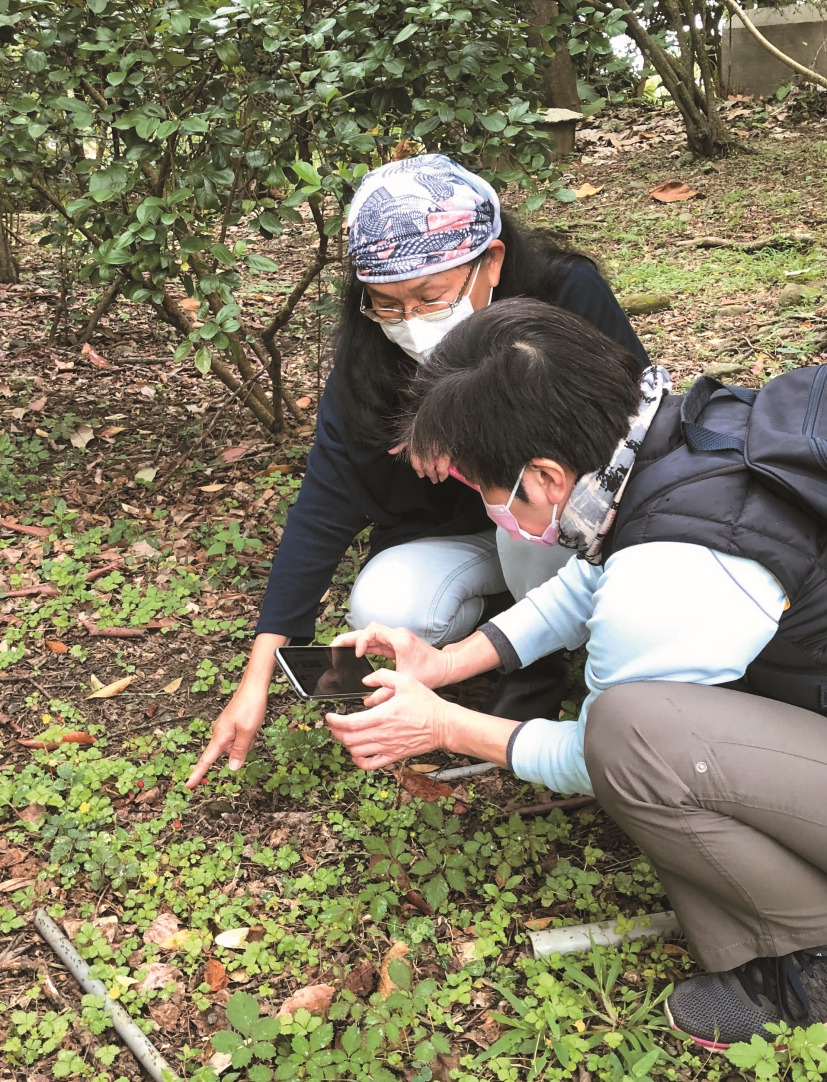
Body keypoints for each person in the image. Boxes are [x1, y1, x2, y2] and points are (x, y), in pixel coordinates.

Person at [321, 299, 827, 1049]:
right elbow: (588, 583)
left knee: (633, 734)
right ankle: (773, 932)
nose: (483, 501)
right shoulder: (685, 432)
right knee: (654, 734)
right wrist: (448, 659)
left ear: (547, 476)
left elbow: (597, 755)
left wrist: (444, 724)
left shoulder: (675, 570)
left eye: (480, 484)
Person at [187, 155, 649, 787]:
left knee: (528, 528)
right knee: (386, 605)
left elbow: (631, 426)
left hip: (564, 519)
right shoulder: (371, 350)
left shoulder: (565, 295)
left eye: (431, 298)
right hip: (458, 535)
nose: (409, 323)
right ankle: (499, 623)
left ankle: (543, 664)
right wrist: (257, 675)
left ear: (492, 261)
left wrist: (468, 434)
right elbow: (325, 503)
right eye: (386, 305)